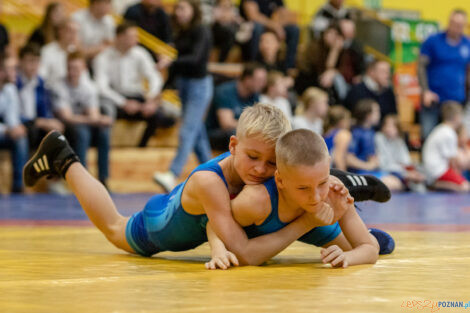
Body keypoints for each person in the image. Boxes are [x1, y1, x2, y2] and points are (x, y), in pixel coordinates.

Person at [24, 104, 388, 265]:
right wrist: (218, 249)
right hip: (164, 223)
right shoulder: (209, 182)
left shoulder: (271, 174)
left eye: (271, 162)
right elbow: (236, 244)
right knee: (115, 228)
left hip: (227, 220)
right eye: (252, 158)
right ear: (232, 146)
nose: (261, 170)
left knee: (302, 186)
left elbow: (295, 175)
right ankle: (64, 158)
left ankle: (344, 182)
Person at [205, 129, 394, 270]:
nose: (315, 196)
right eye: (303, 188)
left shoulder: (333, 192)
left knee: (377, 244)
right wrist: (218, 250)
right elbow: (216, 222)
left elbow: (369, 249)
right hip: (297, 217)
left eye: (322, 183)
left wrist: (347, 257)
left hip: (319, 219)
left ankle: (354, 183)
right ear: (279, 180)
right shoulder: (256, 199)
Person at [93, 22, 171, 147]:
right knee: (106, 113)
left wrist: (151, 98)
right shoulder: (103, 57)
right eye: (132, 36)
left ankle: (141, 148)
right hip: (114, 99)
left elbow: (155, 77)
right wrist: (123, 102)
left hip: (137, 97)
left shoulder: (140, 53)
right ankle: (104, 149)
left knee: (158, 115)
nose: (136, 40)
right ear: (119, 37)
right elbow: (101, 87)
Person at [52, 51, 112, 186]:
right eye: (70, 68)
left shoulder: (89, 86)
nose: (73, 72)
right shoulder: (59, 86)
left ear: (84, 68)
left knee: (104, 132)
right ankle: (82, 179)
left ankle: (103, 178)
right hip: (64, 127)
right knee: (82, 132)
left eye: (77, 68)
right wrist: (97, 119)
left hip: (81, 122)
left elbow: (93, 114)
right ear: (66, 68)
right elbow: (67, 117)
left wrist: (98, 120)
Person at [418, 9, 470, 139]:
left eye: (459, 25)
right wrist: (425, 91)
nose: (455, 27)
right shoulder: (433, 41)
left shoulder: (467, 44)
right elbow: (421, 66)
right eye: (453, 23)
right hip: (434, 99)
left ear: (464, 26)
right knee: (429, 136)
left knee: (453, 138)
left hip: (456, 100)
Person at [206, 63, 267, 151]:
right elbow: (226, 124)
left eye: (264, 80)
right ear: (247, 79)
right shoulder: (225, 91)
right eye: (260, 80)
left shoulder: (254, 95)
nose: (263, 84)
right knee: (236, 134)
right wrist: (253, 127)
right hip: (216, 133)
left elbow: (257, 121)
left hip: (239, 132)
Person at [347, 99, 403, 191]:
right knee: (393, 184)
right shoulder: (357, 133)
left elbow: (370, 154)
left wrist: (373, 161)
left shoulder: (371, 132)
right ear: (368, 116)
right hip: (360, 172)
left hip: (371, 172)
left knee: (397, 182)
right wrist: (367, 165)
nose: (379, 114)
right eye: (376, 111)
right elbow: (349, 158)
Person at [16, 44, 64, 147]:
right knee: (26, 135)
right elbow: (13, 114)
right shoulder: (14, 83)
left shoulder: (41, 82)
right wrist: (38, 122)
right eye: (30, 61)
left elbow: (45, 110)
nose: (34, 65)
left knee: (56, 133)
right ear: (21, 62)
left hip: (36, 124)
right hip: (20, 124)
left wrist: (50, 121)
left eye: (37, 61)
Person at [422, 101, 470, 192]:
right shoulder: (449, 133)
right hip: (438, 171)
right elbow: (452, 161)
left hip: (434, 169)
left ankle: (436, 183)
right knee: (465, 186)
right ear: (456, 117)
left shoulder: (442, 129)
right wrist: (458, 177)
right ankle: (436, 184)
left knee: (464, 185)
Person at [239, 0, 299, 71]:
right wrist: (274, 26)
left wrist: (277, 24)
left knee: (294, 29)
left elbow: (283, 13)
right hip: (249, 27)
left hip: (271, 25)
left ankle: (289, 66)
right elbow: (253, 16)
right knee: (257, 28)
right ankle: (253, 64)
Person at [374, 114, 426, 191]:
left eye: (392, 126)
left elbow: (406, 162)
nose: (389, 129)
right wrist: (404, 173)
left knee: (419, 182)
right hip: (385, 173)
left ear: (398, 128)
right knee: (390, 184)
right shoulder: (379, 138)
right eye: (387, 125)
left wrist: (412, 172)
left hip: (400, 173)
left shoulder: (399, 141)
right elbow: (383, 165)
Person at [0, 56, 29, 193]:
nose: (13, 73)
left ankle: (18, 186)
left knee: (21, 139)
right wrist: (6, 130)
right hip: (2, 132)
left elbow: (12, 117)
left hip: (5, 134)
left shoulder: (10, 89)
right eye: (9, 69)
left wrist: (16, 128)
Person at [39, 19, 81, 85]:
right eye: (70, 31)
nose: (73, 35)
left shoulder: (75, 51)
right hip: (52, 90)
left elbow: (83, 77)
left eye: (75, 32)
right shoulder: (47, 51)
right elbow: (42, 75)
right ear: (60, 31)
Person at [323, 105, 351, 171]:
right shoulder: (343, 134)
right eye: (348, 119)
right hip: (331, 170)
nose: (349, 122)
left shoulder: (326, 133)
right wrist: (343, 178)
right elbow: (338, 158)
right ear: (341, 121)